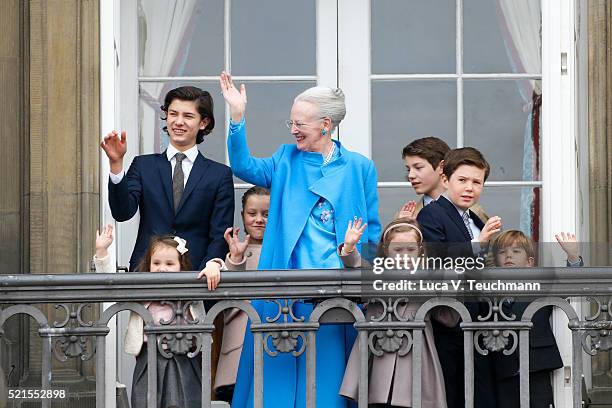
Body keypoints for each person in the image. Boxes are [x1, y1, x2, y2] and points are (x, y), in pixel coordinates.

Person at [220, 71, 382, 408]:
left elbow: (372, 230)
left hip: (335, 297)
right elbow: (243, 165)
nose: (293, 129)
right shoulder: (285, 159)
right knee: (274, 389)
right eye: (290, 122)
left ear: (325, 124)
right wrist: (237, 117)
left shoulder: (359, 167)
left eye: (300, 123)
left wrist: (369, 281)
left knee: (327, 389)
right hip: (282, 290)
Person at [100, 86, 234, 274]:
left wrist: (212, 264)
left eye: (188, 116)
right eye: (173, 114)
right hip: (147, 271)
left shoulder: (219, 174)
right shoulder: (143, 165)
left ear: (203, 122)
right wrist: (116, 163)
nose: (178, 122)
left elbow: (220, 233)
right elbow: (122, 212)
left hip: (197, 277)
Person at [93, 226, 222, 408]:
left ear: (181, 266)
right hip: (149, 356)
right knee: (146, 400)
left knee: (188, 400)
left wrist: (213, 265)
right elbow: (112, 286)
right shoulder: (142, 290)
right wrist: (102, 251)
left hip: (185, 356)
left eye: (170, 264)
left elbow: (220, 272)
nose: (162, 269)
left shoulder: (191, 287)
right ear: (149, 264)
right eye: (157, 263)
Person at [338, 218, 459, 408]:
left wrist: (450, 284)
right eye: (398, 250)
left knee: (413, 399)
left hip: (415, 354)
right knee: (378, 399)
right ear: (386, 251)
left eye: (410, 250)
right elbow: (357, 266)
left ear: (420, 250)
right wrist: (349, 248)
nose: (404, 255)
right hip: (379, 351)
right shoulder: (376, 275)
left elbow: (449, 318)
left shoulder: (429, 279)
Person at [416, 147, 502, 408]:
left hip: (478, 320)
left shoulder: (474, 216)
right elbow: (436, 262)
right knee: (452, 394)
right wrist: (479, 243)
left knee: (478, 395)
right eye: (462, 180)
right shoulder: (430, 214)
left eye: (477, 182)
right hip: (449, 321)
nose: (470, 188)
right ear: (445, 180)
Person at [490, 230, 583, 408]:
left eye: (516, 252)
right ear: (496, 261)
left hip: (537, 365)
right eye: (502, 252)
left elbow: (568, 286)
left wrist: (572, 256)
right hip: (503, 367)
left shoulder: (540, 286)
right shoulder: (490, 289)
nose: (509, 255)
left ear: (529, 263)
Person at [214, 186, 270, 402]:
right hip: (238, 349)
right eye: (252, 213)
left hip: (274, 346)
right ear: (242, 215)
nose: (259, 220)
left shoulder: (283, 251)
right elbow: (228, 300)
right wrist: (236, 259)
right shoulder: (234, 252)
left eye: (266, 214)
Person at [397, 137, 488, 222]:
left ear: (442, 166)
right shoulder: (405, 217)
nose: (410, 175)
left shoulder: (475, 213)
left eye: (418, 167)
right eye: (409, 169)